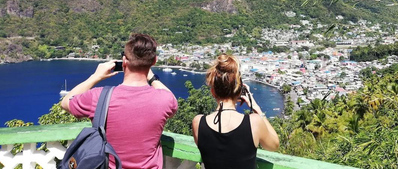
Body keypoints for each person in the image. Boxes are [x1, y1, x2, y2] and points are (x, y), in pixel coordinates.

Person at [61, 33, 178, 169]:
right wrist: (151, 77)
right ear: (154, 61)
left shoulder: (99, 97)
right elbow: (173, 102)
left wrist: (95, 77)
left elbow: (65, 103)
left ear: (124, 61)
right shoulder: (164, 99)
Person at [192, 54, 279, 169]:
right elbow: (274, 145)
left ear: (213, 92)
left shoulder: (198, 122)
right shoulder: (254, 122)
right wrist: (256, 108)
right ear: (239, 91)